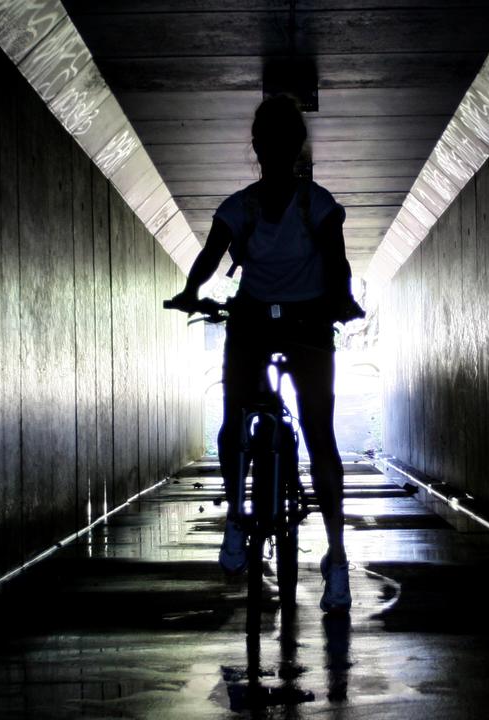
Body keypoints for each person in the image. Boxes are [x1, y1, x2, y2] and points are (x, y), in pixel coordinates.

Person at [166, 95, 364, 612]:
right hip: (287, 321)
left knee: (252, 425)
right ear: (265, 147)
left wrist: (191, 294)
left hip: (281, 321)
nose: (272, 150)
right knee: (311, 433)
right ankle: (329, 558)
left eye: (276, 141)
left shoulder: (282, 205)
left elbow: (333, 260)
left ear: (279, 147)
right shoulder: (271, 205)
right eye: (268, 142)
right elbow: (213, 257)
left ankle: (249, 524)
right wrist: (340, 301)